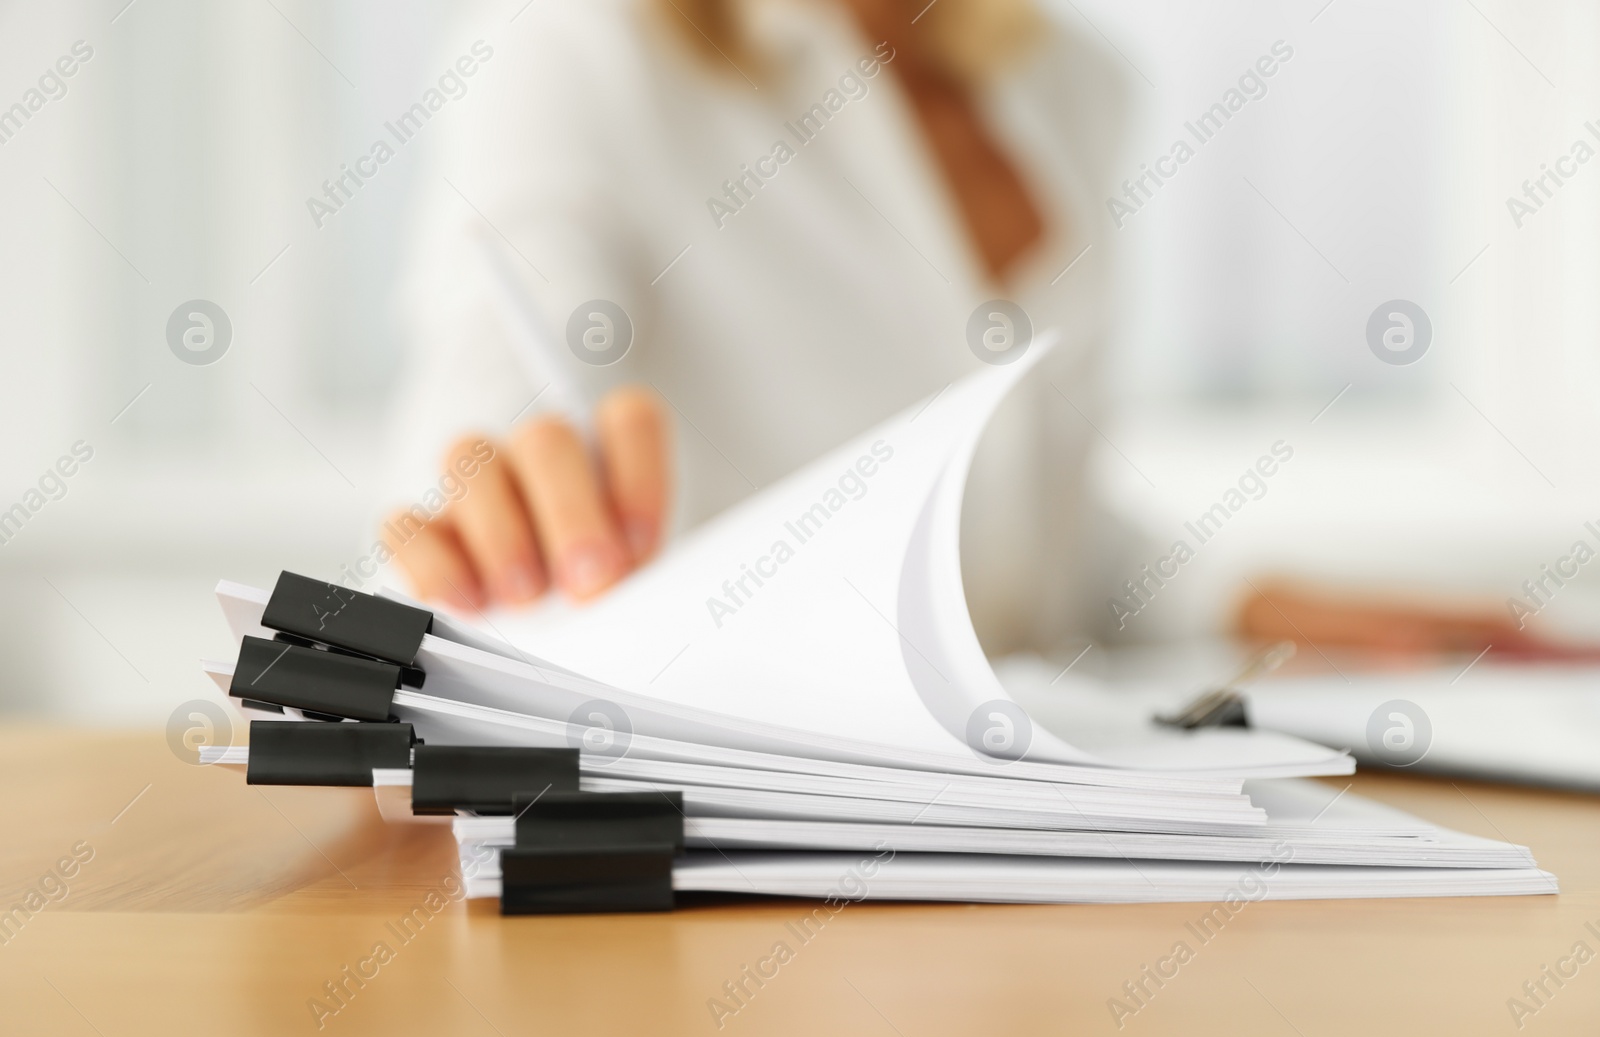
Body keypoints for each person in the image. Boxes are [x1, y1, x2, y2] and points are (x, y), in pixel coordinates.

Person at [383, 0, 1120, 657]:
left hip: (1041, 759)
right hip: (743, 771)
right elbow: (496, 384)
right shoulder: (572, 48)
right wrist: (511, 497)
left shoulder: (1073, 83)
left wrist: (1212, 592)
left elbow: (1025, 518)